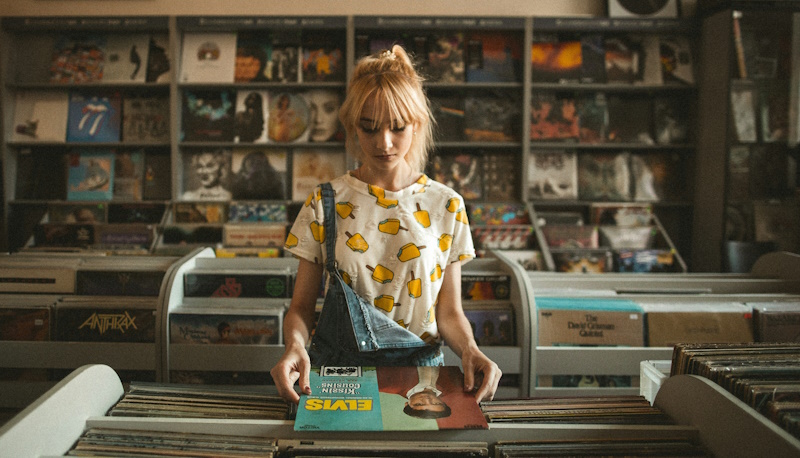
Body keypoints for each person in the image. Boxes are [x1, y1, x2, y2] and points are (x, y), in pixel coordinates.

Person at [271, 44, 501, 405]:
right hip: (339, 376)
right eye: (369, 128)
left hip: (421, 378)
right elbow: (301, 307)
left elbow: (450, 312)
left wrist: (471, 349)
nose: (384, 143)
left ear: (417, 123)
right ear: (352, 126)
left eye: (397, 127)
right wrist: (294, 347)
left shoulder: (447, 205)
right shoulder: (325, 202)